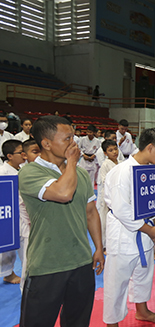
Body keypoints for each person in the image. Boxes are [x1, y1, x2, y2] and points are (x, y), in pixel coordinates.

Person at [18, 115, 104, 326]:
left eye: (73, 137)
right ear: (46, 143)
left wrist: (99, 248)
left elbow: (91, 212)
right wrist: (73, 162)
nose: (73, 143)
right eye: (67, 139)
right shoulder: (30, 172)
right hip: (47, 266)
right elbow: (63, 193)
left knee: (78, 321)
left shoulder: (81, 174)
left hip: (81, 262)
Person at [103, 128, 155, 327]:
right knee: (117, 282)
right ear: (150, 147)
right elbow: (122, 209)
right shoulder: (122, 172)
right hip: (124, 234)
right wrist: (150, 231)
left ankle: (142, 310)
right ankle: (112, 323)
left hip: (146, 231)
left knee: (144, 273)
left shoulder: (151, 171)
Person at [0, 139, 24, 285]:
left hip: (18, 211)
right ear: (10, 156)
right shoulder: (3, 172)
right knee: (6, 247)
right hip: (7, 212)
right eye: (20, 152)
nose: (23, 154)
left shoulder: (19, 169)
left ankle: (9, 273)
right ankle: (8, 273)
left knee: (15, 245)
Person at [18, 139, 41, 292]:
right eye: (35, 152)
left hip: (44, 224)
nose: (39, 155)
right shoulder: (22, 174)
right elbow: (22, 204)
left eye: (41, 151)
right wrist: (32, 221)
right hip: (30, 224)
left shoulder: (43, 172)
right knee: (29, 260)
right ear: (24, 155)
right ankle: (26, 291)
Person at [96, 139, 119, 249]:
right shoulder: (105, 164)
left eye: (115, 149)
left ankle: (114, 243)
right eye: (110, 150)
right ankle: (104, 245)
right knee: (105, 221)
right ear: (105, 153)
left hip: (118, 194)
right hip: (108, 194)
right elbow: (105, 181)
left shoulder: (120, 163)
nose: (114, 152)